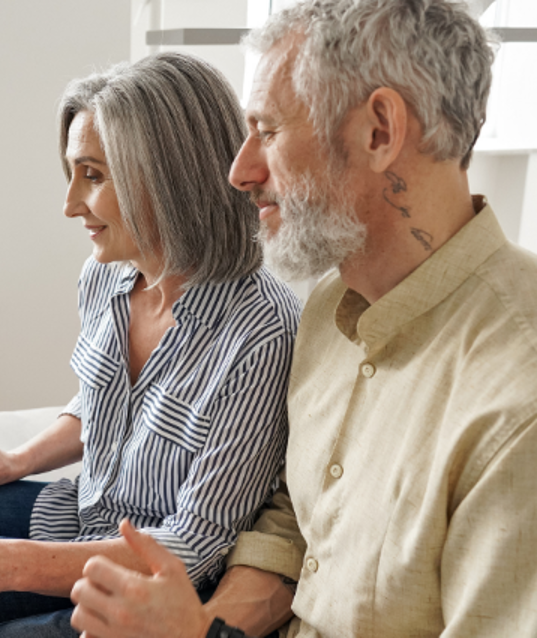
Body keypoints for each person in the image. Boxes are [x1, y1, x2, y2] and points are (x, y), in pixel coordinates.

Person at [69, 1, 537, 636]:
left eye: (266, 131)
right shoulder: (325, 308)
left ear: (379, 131)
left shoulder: (516, 409)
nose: (238, 173)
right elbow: (297, 517)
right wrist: (207, 626)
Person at [0, 52, 301, 637]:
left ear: (167, 177)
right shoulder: (107, 275)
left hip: (154, 585)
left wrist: (4, 566)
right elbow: (101, 399)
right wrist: (20, 459)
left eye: (92, 175)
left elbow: (194, 545)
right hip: (79, 517)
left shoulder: (261, 331)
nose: (68, 205)